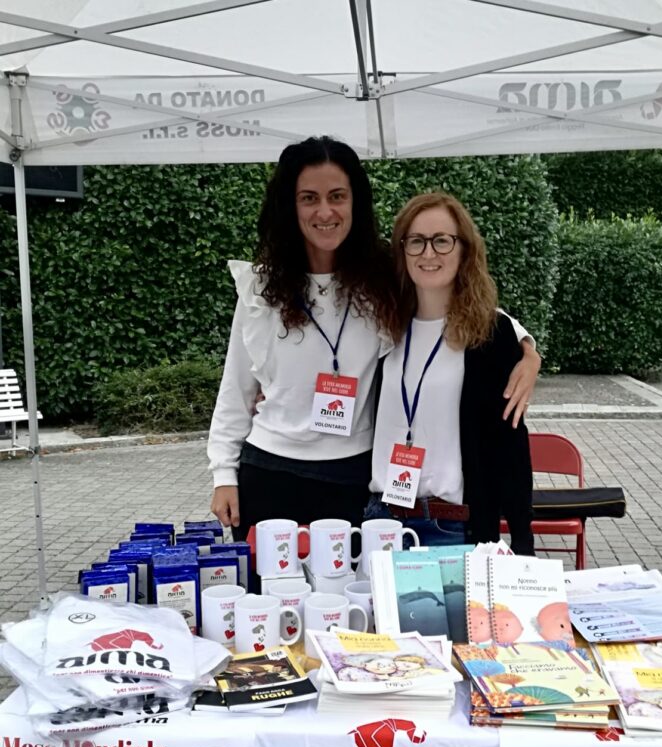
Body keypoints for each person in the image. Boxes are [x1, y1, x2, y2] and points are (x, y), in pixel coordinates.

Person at [208, 137, 538, 543]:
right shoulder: (261, 287)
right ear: (289, 207)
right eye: (309, 198)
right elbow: (235, 387)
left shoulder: (379, 281)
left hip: (353, 479)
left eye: (337, 196)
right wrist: (224, 473)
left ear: (355, 203)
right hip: (269, 472)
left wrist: (525, 346)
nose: (324, 211)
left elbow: (450, 303)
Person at [368, 192, 538, 548]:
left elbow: (511, 449)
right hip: (379, 523)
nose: (429, 253)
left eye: (442, 241)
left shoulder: (489, 336)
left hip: (453, 529)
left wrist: (523, 543)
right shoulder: (380, 328)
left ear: (464, 250)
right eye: (416, 241)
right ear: (401, 251)